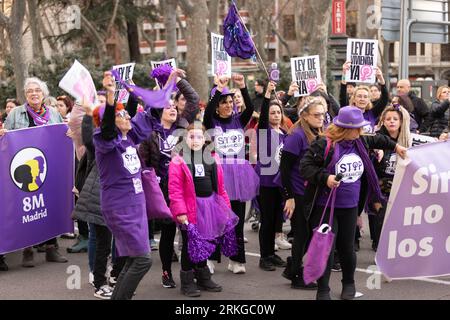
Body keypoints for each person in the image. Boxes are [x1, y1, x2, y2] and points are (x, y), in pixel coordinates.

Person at [300, 106, 407, 300]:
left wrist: (396, 147)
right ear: (344, 129)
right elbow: (305, 167)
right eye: (357, 128)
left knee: (347, 248)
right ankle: (322, 290)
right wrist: (325, 178)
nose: (361, 131)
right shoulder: (323, 143)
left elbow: (379, 139)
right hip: (325, 207)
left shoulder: (360, 141)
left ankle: (348, 284)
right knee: (326, 249)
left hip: (350, 206)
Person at [93, 71, 162, 299]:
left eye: (125, 113)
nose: (126, 116)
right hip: (119, 207)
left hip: (136, 205)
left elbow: (152, 115)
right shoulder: (105, 142)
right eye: (120, 114)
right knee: (143, 260)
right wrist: (111, 95)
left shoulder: (130, 138)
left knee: (134, 259)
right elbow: (107, 128)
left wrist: (167, 84)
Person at [140, 67, 199, 290]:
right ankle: (166, 271)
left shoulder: (182, 126)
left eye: (174, 106)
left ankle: (188, 272)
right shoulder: (149, 133)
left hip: (183, 187)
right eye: (167, 106)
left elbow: (193, 98)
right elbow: (144, 162)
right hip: (162, 188)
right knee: (167, 231)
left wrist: (179, 80)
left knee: (187, 229)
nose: (172, 109)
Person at [2, 77, 67, 267]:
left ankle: (51, 248)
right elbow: (7, 139)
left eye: (37, 90)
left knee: (50, 207)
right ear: (25, 95)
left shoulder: (53, 113)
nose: (33, 93)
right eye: (29, 91)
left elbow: (62, 137)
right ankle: (28, 250)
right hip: (25, 170)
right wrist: (4, 134)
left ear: (43, 93)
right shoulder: (15, 114)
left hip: (48, 168)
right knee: (28, 209)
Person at [168, 122, 239, 297]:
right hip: (190, 209)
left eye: (199, 136)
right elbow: (175, 190)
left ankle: (203, 277)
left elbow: (220, 187)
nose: (196, 140)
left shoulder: (212, 158)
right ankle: (187, 281)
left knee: (206, 242)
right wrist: (180, 212)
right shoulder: (178, 161)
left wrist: (226, 208)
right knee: (189, 245)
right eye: (192, 137)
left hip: (210, 207)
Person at [203, 74, 260, 274]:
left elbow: (251, 109)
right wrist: (218, 88)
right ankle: (210, 258)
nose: (228, 105)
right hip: (218, 174)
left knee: (236, 216)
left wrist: (243, 86)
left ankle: (237, 260)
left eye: (230, 102)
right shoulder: (211, 122)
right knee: (217, 217)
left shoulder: (238, 120)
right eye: (223, 102)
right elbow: (207, 113)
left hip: (238, 176)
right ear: (217, 105)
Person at [280, 96, 326, 289]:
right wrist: (289, 197)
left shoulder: (320, 132)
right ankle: (297, 275)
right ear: (305, 116)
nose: (321, 118)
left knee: (310, 233)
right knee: (301, 233)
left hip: (314, 191)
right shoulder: (297, 135)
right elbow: (284, 168)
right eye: (316, 115)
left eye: (323, 114)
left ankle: (293, 267)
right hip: (298, 192)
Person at [256, 81, 288, 271]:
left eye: (278, 112)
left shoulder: (284, 132)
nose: (276, 115)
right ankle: (264, 256)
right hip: (267, 180)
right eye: (272, 112)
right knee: (267, 220)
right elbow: (262, 117)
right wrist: (268, 94)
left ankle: (271, 253)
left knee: (277, 218)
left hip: (280, 181)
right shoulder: (264, 131)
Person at [370, 104, 412, 251]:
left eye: (395, 119)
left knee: (399, 222)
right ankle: (380, 249)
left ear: (401, 121)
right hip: (381, 189)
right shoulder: (377, 138)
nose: (391, 121)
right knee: (381, 220)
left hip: (401, 187)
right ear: (383, 121)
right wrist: (375, 152)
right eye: (388, 119)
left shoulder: (409, 139)